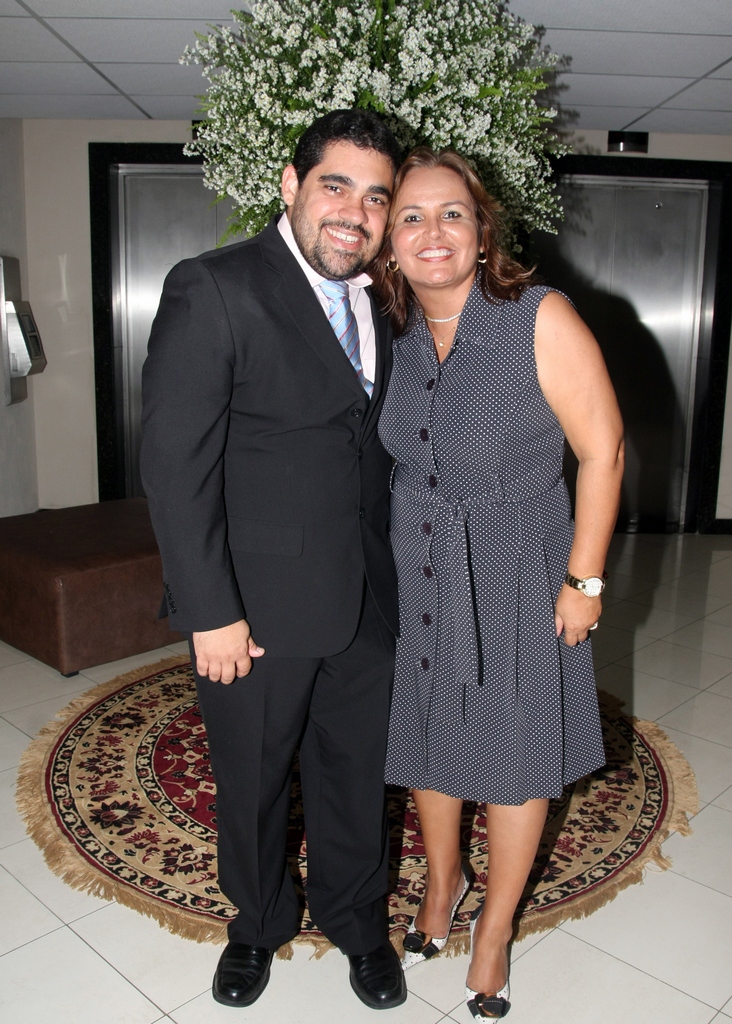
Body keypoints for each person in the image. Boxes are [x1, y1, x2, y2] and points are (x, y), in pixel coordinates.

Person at [140, 109, 408, 1012]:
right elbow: (174, 466)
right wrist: (209, 610)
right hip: (252, 610)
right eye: (336, 186)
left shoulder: (384, 300)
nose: (355, 213)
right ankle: (256, 924)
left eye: (376, 197)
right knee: (252, 782)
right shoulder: (214, 287)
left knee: (357, 777)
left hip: (367, 599)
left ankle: (358, 924)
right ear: (291, 186)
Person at [371, 148, 624, 1020]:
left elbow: (603, 451)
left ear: (483, 232)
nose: (432, 231)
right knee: (429, 736)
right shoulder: (394, 332)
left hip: (518, 568)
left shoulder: (538, 317)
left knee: (515, 755)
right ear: (389, 243)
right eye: (410, 217)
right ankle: (443, 883)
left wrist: (584, 579)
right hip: (419, 564)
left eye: (452, 213)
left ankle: (495, 928)